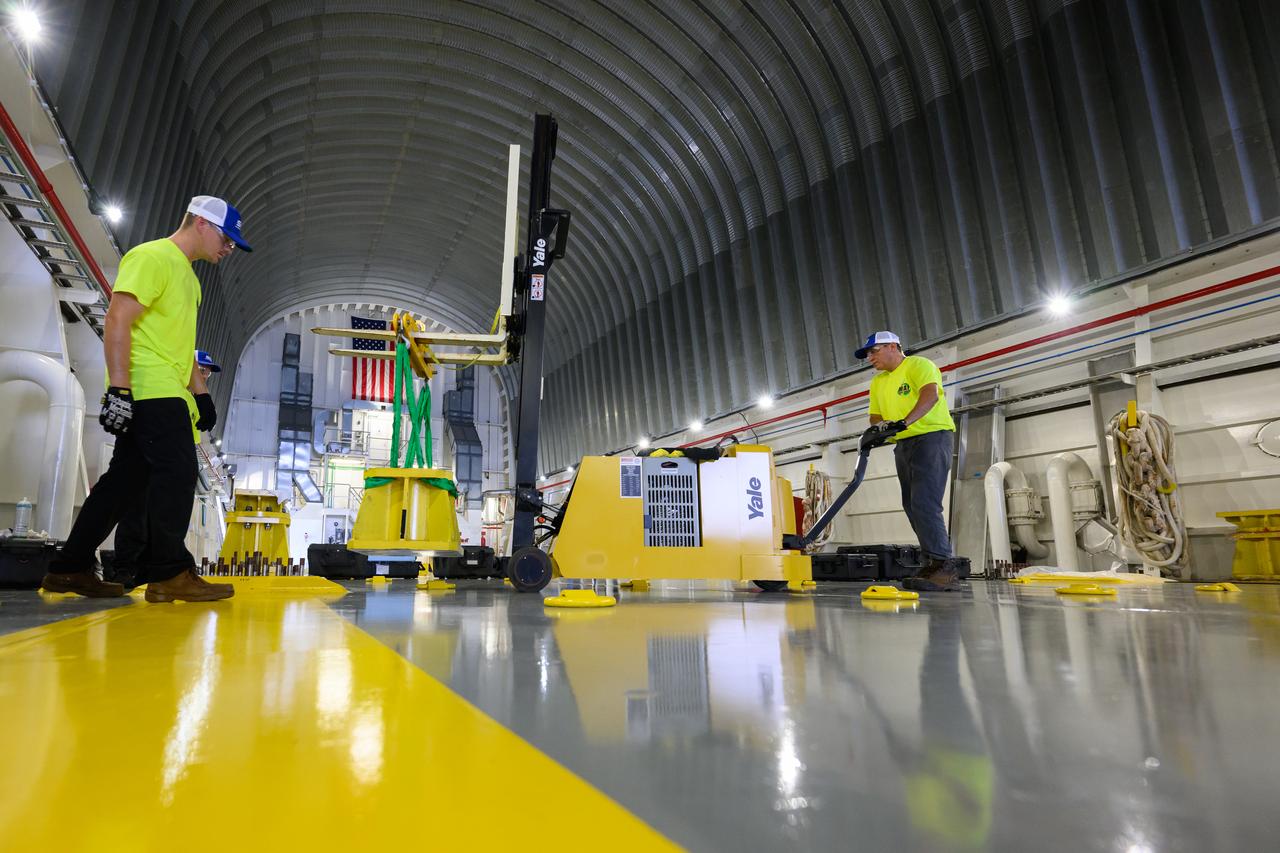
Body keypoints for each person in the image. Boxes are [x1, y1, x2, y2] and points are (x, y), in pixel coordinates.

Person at [41, 196, 251, 603]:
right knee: (178, 472)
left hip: (167, 387)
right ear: (201, 223)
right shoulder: (152, 257)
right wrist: (119, 388)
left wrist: (202, 393)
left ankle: (69, 567)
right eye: (226, 238)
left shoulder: (190, 279)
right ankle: (169, 573)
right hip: (150, 387)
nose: (229, 248)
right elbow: (118, 317)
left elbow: (182, 346)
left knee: (123, 483)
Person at [856, 331, 961, 592]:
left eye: (874, 351)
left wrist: (905, 422)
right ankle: (932, 562)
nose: (870, 358)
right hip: (903, 444)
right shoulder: (878, 382)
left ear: (893, 346)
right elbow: (875, 415)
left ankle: (944, 566)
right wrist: (881, 427)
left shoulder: (919, 365)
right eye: (867, 354)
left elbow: (930, 395)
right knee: (912, 505)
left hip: (932, 437)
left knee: (925, 502)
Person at [109, 349, 221, 589]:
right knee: (136, 510)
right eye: (201, 370)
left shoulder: (188, 399)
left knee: (160, 515)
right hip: (153, 455)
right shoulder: (167, 391)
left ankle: (150, 570)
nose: (203, 377)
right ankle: (125, 568)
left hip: (173, 460)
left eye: (207, 374)